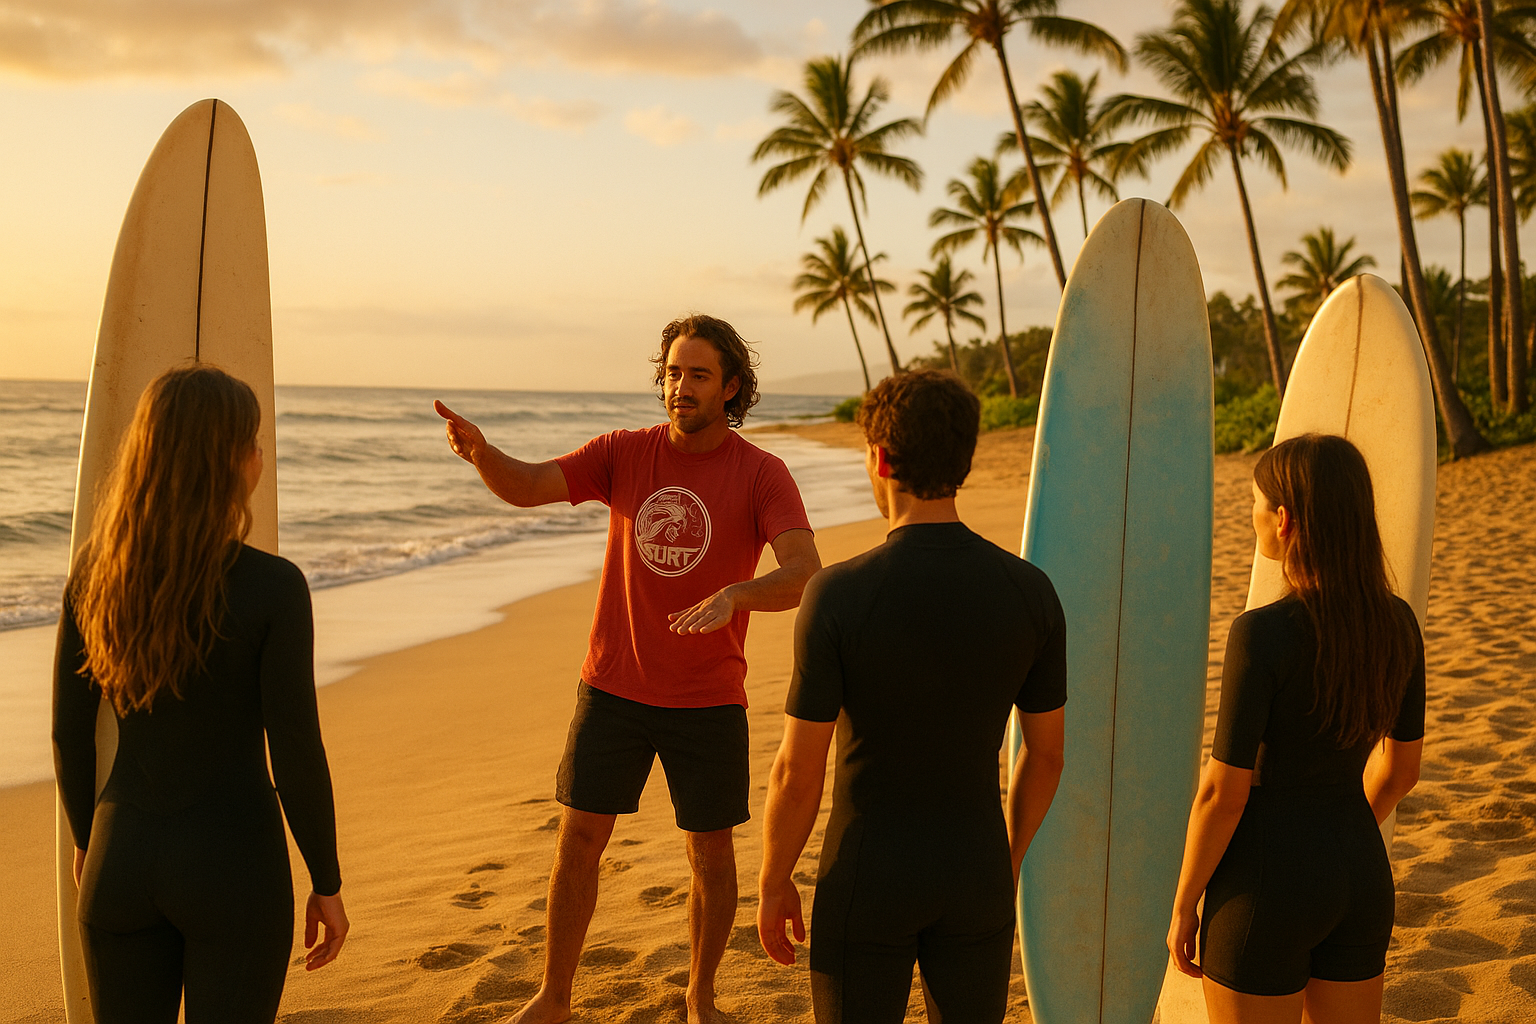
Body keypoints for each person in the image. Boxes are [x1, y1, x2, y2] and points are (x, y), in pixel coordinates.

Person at [435, 314, 820, 1024]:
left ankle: (699, 996)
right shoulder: (623, 453)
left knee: (709, 854)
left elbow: (803, 574)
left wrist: (739, 593)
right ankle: (554, 996)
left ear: (731, 387)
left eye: (699, 375)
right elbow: (528, 486)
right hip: (613, 685)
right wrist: (483, 454)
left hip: (707, 696)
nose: (681, 387)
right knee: (580, 837)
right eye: (673, 372)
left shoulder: (761, 473)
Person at [756, 370, 1068, 1024]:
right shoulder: (1031, 592)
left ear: (879, 458)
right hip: (975, 867)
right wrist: (1001, 864)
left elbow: (797, 768)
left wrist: (774, 875)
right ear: (966, 459)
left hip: (868, 873)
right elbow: (1045, 758)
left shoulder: (837, 595)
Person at [53, 365, 348, 1023]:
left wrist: (86, 839)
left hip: (118, 857)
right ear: (232, 460)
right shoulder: (273, 588)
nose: (260, 457)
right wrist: (325, 882)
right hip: (233, 867)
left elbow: (69, 733)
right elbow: (295, 752)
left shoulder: (95, 576)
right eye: (253, 441)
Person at [1167, 433, 1425, 1024]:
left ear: (1284, 519)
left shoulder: (1261, 633)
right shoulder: (1397, 623)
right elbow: (1401, 771)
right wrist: (1337, 827)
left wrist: (1185, 905)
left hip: (1264, 885)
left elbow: (1221, 794)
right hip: (1359, 875)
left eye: (1256, 503)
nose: (1251, 515)